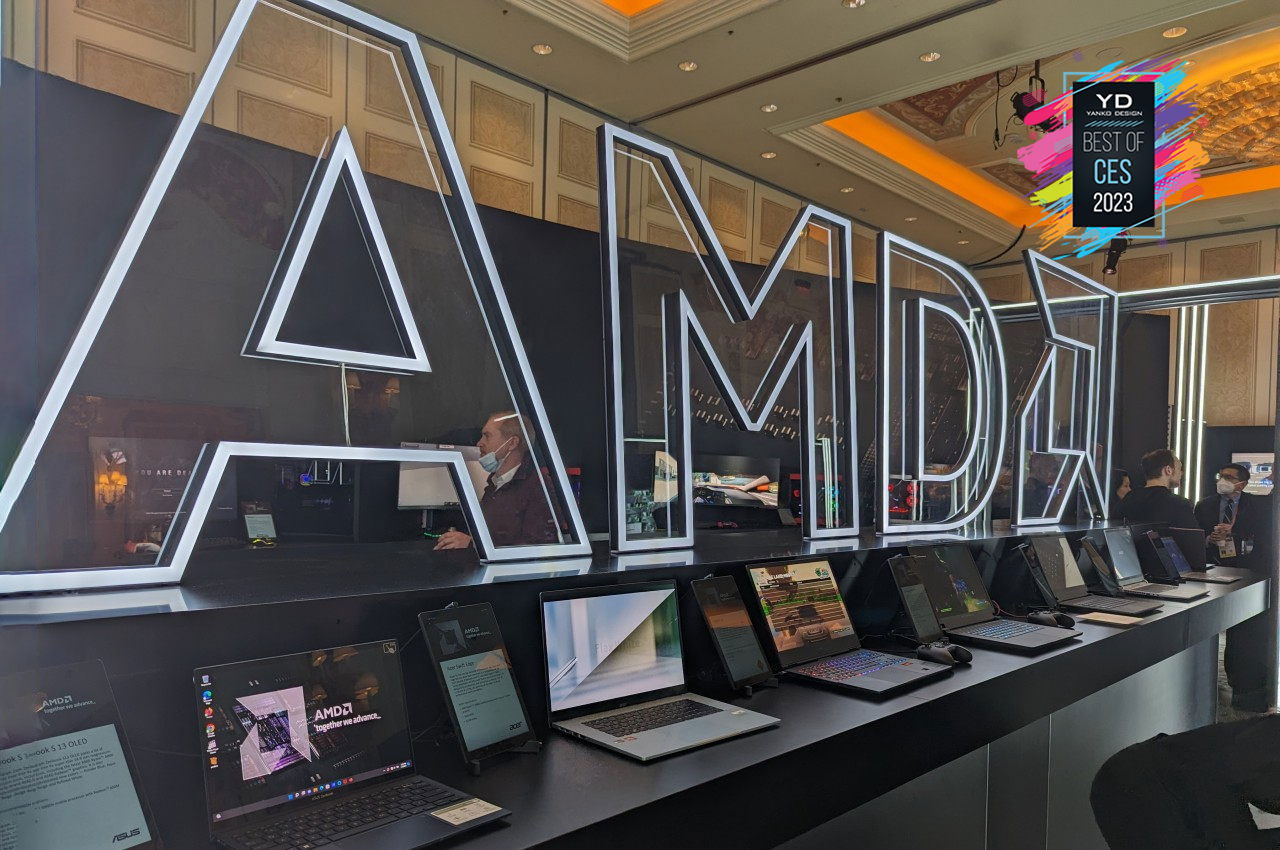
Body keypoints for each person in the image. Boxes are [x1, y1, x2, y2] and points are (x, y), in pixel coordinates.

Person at [1195, 462, 1275, 712]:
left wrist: (1234, 532)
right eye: (1221, 476)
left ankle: (1239, 682)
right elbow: (1194, 536)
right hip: (1212, 569)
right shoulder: (1204, 505)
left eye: (1229, 477)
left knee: (1242, 631)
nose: (1223, 481)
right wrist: (1209, 539)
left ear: (1242, 483)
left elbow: (1262, 535)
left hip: (1247, 571)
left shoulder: (1257, 505)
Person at [433, 411, 559, 550]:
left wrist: (472, 544)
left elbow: (539, 548)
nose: (479, 443)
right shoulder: (494, 485)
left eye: (487, 436)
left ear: (512, 443)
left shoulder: (539, 487)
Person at [1115, 449, 1197, 528]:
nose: (1181, 473)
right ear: (1168, 470)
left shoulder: (1127, 500)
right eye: (1179, 468)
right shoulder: (1180, 505)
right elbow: (1193, 537)